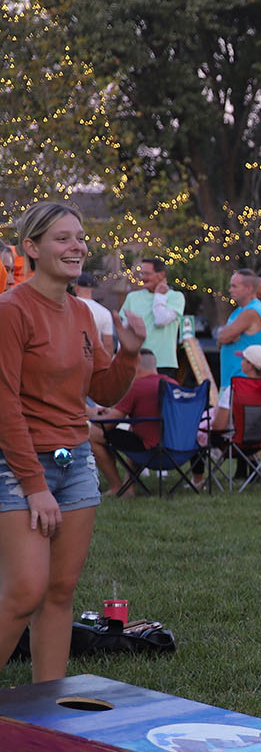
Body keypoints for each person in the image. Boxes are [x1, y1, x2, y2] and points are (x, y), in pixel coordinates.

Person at [0, 201, 145, 683]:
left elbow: (101, 390)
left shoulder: (84, 312)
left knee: (60, 591)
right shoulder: (11, 311)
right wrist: (34, 485)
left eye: (80, 237)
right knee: (25, 591)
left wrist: (128, 352)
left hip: (75, 460)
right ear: (32, 249)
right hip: (19, 465)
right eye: (62, 238)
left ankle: (48, 710)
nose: (77, 245)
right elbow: (5, 406)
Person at [90, 349, 174, 494]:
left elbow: (107, 426)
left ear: (135, 367)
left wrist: (86, 412)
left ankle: (117, 487)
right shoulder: (172, 383)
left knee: (93, 435)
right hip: (177, 450)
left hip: (152, 451)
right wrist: (113, 413)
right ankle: (129, 486)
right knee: (133, 430)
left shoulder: (137, 387)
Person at [211, 269, 261, 430]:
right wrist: (227, 334)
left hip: (241, 381)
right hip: (230, 380)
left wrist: (227, 334)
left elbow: (223, 337)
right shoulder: (239, 312)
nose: (230, 290)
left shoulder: (252, 311)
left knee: (226, 430)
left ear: (249, 289)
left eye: (235, 286)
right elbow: (222, 336)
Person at [122, 259, 185, 378]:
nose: (143, 278)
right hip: (136, 362)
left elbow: (161, 320)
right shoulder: (132, 297)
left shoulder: (176, 297)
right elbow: (124, 330)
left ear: (162, 275)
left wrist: (159, 296)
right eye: (142, 273)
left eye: (147, 274)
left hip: (163, 364)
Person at [71, 272, 116, 354]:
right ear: (92, 289)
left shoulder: (69, 306)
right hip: (93, 358)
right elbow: (108, 344)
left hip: (70, 358)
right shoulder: (104, 312)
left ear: (76, 288)